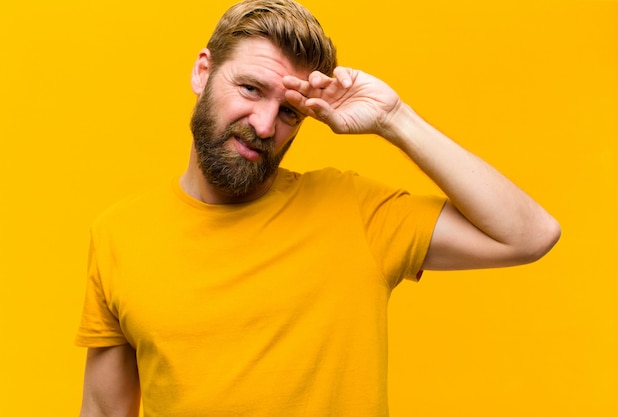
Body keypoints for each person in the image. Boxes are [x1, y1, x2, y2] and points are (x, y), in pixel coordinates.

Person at [76, 0, 561, 416]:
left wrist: (395, 119)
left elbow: (528, 235)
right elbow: (103, 409)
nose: (265, 126)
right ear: (204, 71)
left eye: (289, 111)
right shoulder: (118, 233)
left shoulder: (355, 211)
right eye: (249, 89)